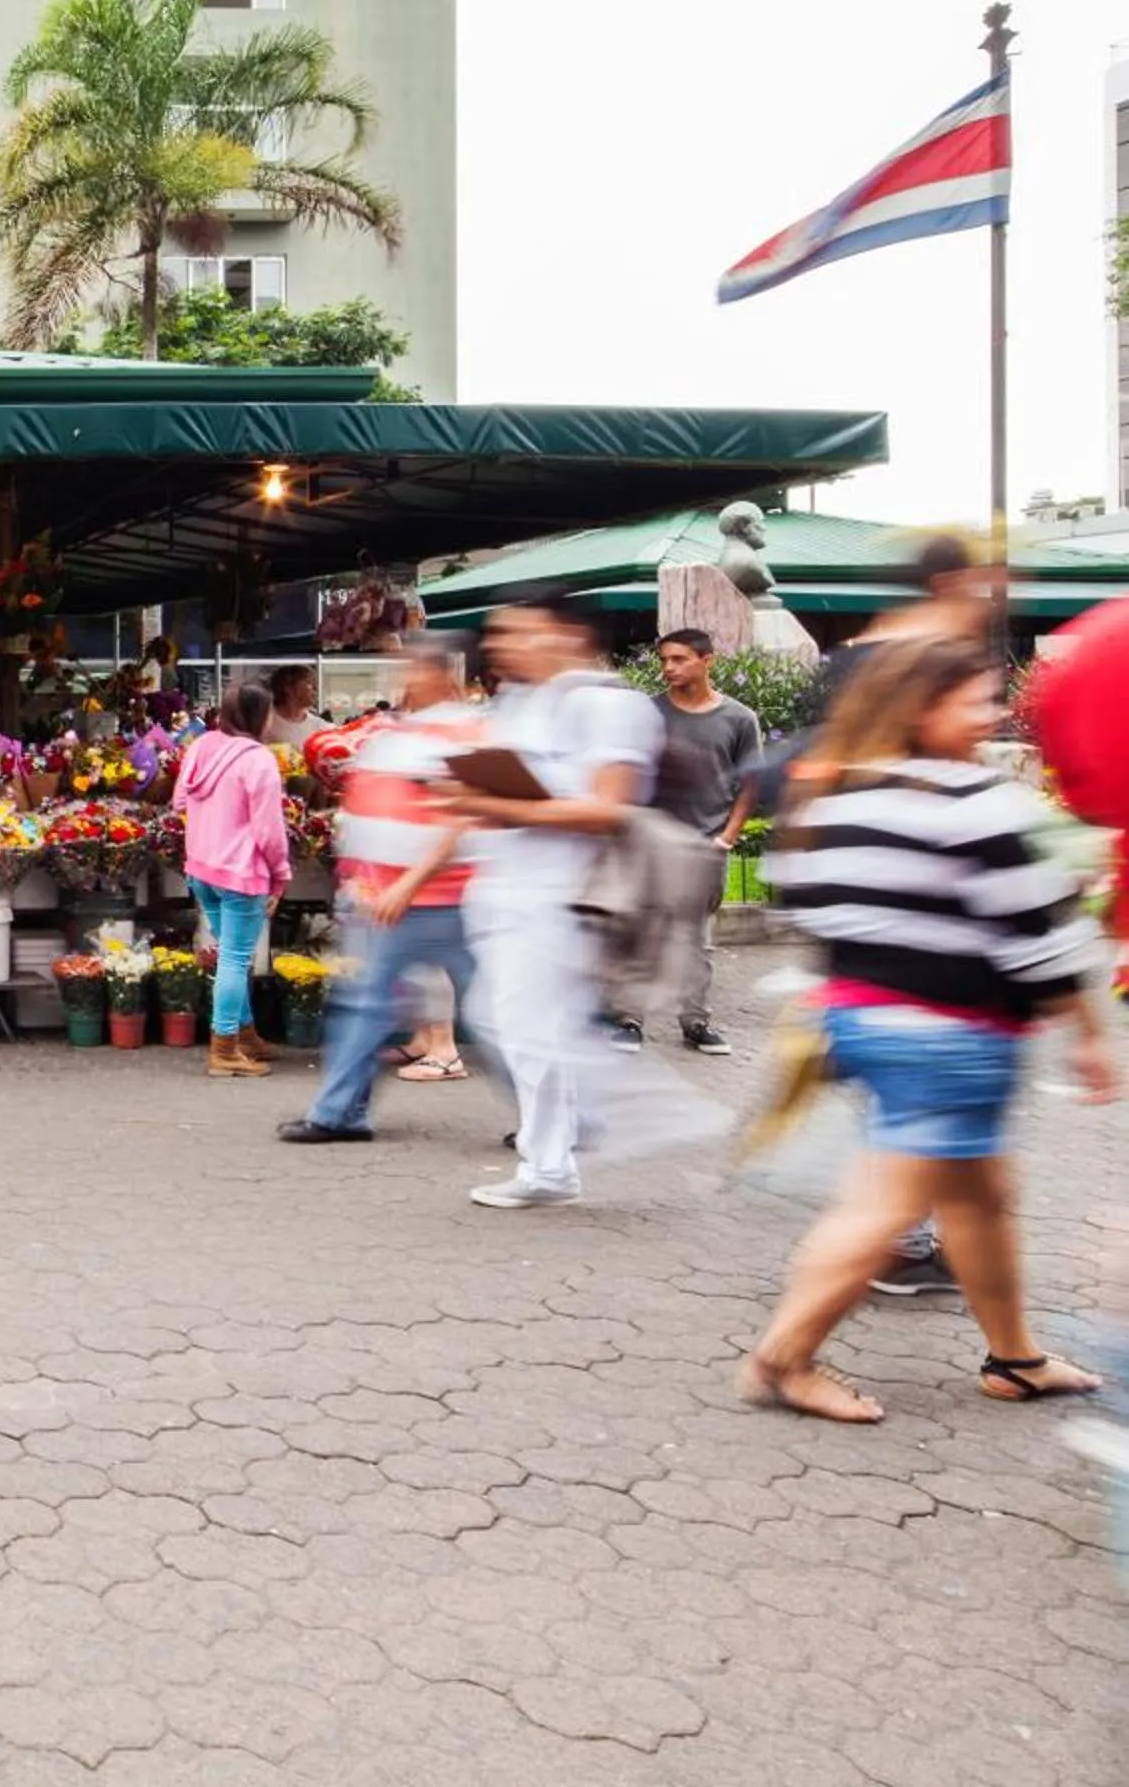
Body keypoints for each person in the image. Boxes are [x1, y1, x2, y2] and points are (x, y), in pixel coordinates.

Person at [740, 638, 1114, 1423]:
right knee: (882, 1211)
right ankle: (784, 1360)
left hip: (861, 1023)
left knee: (980, 1197)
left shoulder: (835, 797)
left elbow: (798, 903)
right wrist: (1084, 1032)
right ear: (921, 708)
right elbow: (1038, 939)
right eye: (975, 700)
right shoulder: (982, 801)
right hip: (951, 1041)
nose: (995, 713)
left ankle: (1015, 1357)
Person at [437, 590, 662, 1210]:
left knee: (528, 1028)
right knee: (509, 1022)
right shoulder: (524, 701)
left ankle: (592, 1139)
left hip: (561, 896)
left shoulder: (608, 705)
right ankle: (556, 1154)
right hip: (509, 890)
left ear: (566, 635)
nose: (500, 645)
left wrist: (494, 805)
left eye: (518, 632)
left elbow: (607, 807)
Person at [279, 635, 501, 1143]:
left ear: (445, 674)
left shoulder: (467, 734)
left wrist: (407, 883)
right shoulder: (404, 732)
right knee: (363, 1004)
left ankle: (552, 1119)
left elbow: (466, 817)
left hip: (445, 900)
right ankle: (339, 1113)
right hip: (389, 901)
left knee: (491, 1014)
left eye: (415, 668)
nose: (405, 678)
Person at [633, 629, 761, 1057]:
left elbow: (751, 783)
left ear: (708, 661)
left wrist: (727, 838)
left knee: (696, 941)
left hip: (705, 846)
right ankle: (629, 1020)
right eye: (665, 660)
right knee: (640, 934)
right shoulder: (649, 713)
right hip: (651, 842)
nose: (668, 668)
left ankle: (696, 1022)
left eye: (679, 659)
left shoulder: (739, 719)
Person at [175, 682, 292, 1079]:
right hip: (242, 874)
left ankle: (245, 1036)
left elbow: (179, 802)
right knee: (236, 959)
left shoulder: (201, 747)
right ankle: (224, 1048)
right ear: (258, 716)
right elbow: (269, 829)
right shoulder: (258, 759)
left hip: (201, 868)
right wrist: (281, 872)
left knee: (230, 956)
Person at [261, 665, 328, 748]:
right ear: (288, 688)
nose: (315, 688)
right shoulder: (264, 722)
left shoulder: (321, 727)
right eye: (309, 682)